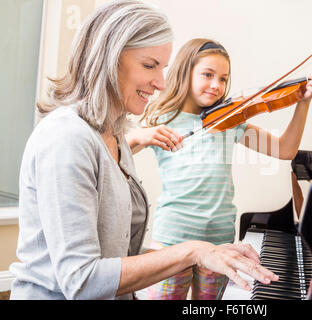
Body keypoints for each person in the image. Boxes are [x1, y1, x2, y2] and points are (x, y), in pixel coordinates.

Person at [9, 0, 278, 300]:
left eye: (162, 68)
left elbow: (115, 253)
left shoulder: (115, 135)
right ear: (107, 60)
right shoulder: (66, 138)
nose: (161, 83)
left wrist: (211, 251)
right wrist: (192, 251)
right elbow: (81, 281)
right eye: (149, 66)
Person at [126, 38, 312, 300]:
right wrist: (141, 136)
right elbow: (114, 153)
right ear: (185, 72)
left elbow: (285, 149)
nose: (216, 85)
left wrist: (303, 103)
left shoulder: (230, 120)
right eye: (208, 75)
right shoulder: (160, 118)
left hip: (219, 243)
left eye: (223, 79)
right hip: (172, 242)